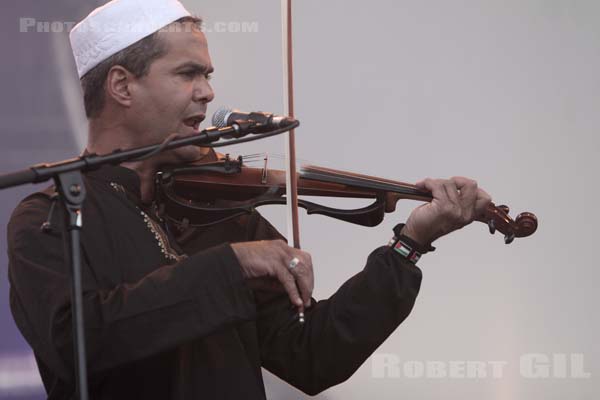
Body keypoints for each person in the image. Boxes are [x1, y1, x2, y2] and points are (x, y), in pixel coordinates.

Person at [6, 1, 492, 399]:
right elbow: (80, 342)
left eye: (208, 75)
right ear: (122, 85)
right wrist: (230, 266)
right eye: (187, 74)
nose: (207, 92)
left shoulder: (217, 212)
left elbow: (314, 355)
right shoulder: (49, 217)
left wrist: (409, 244)